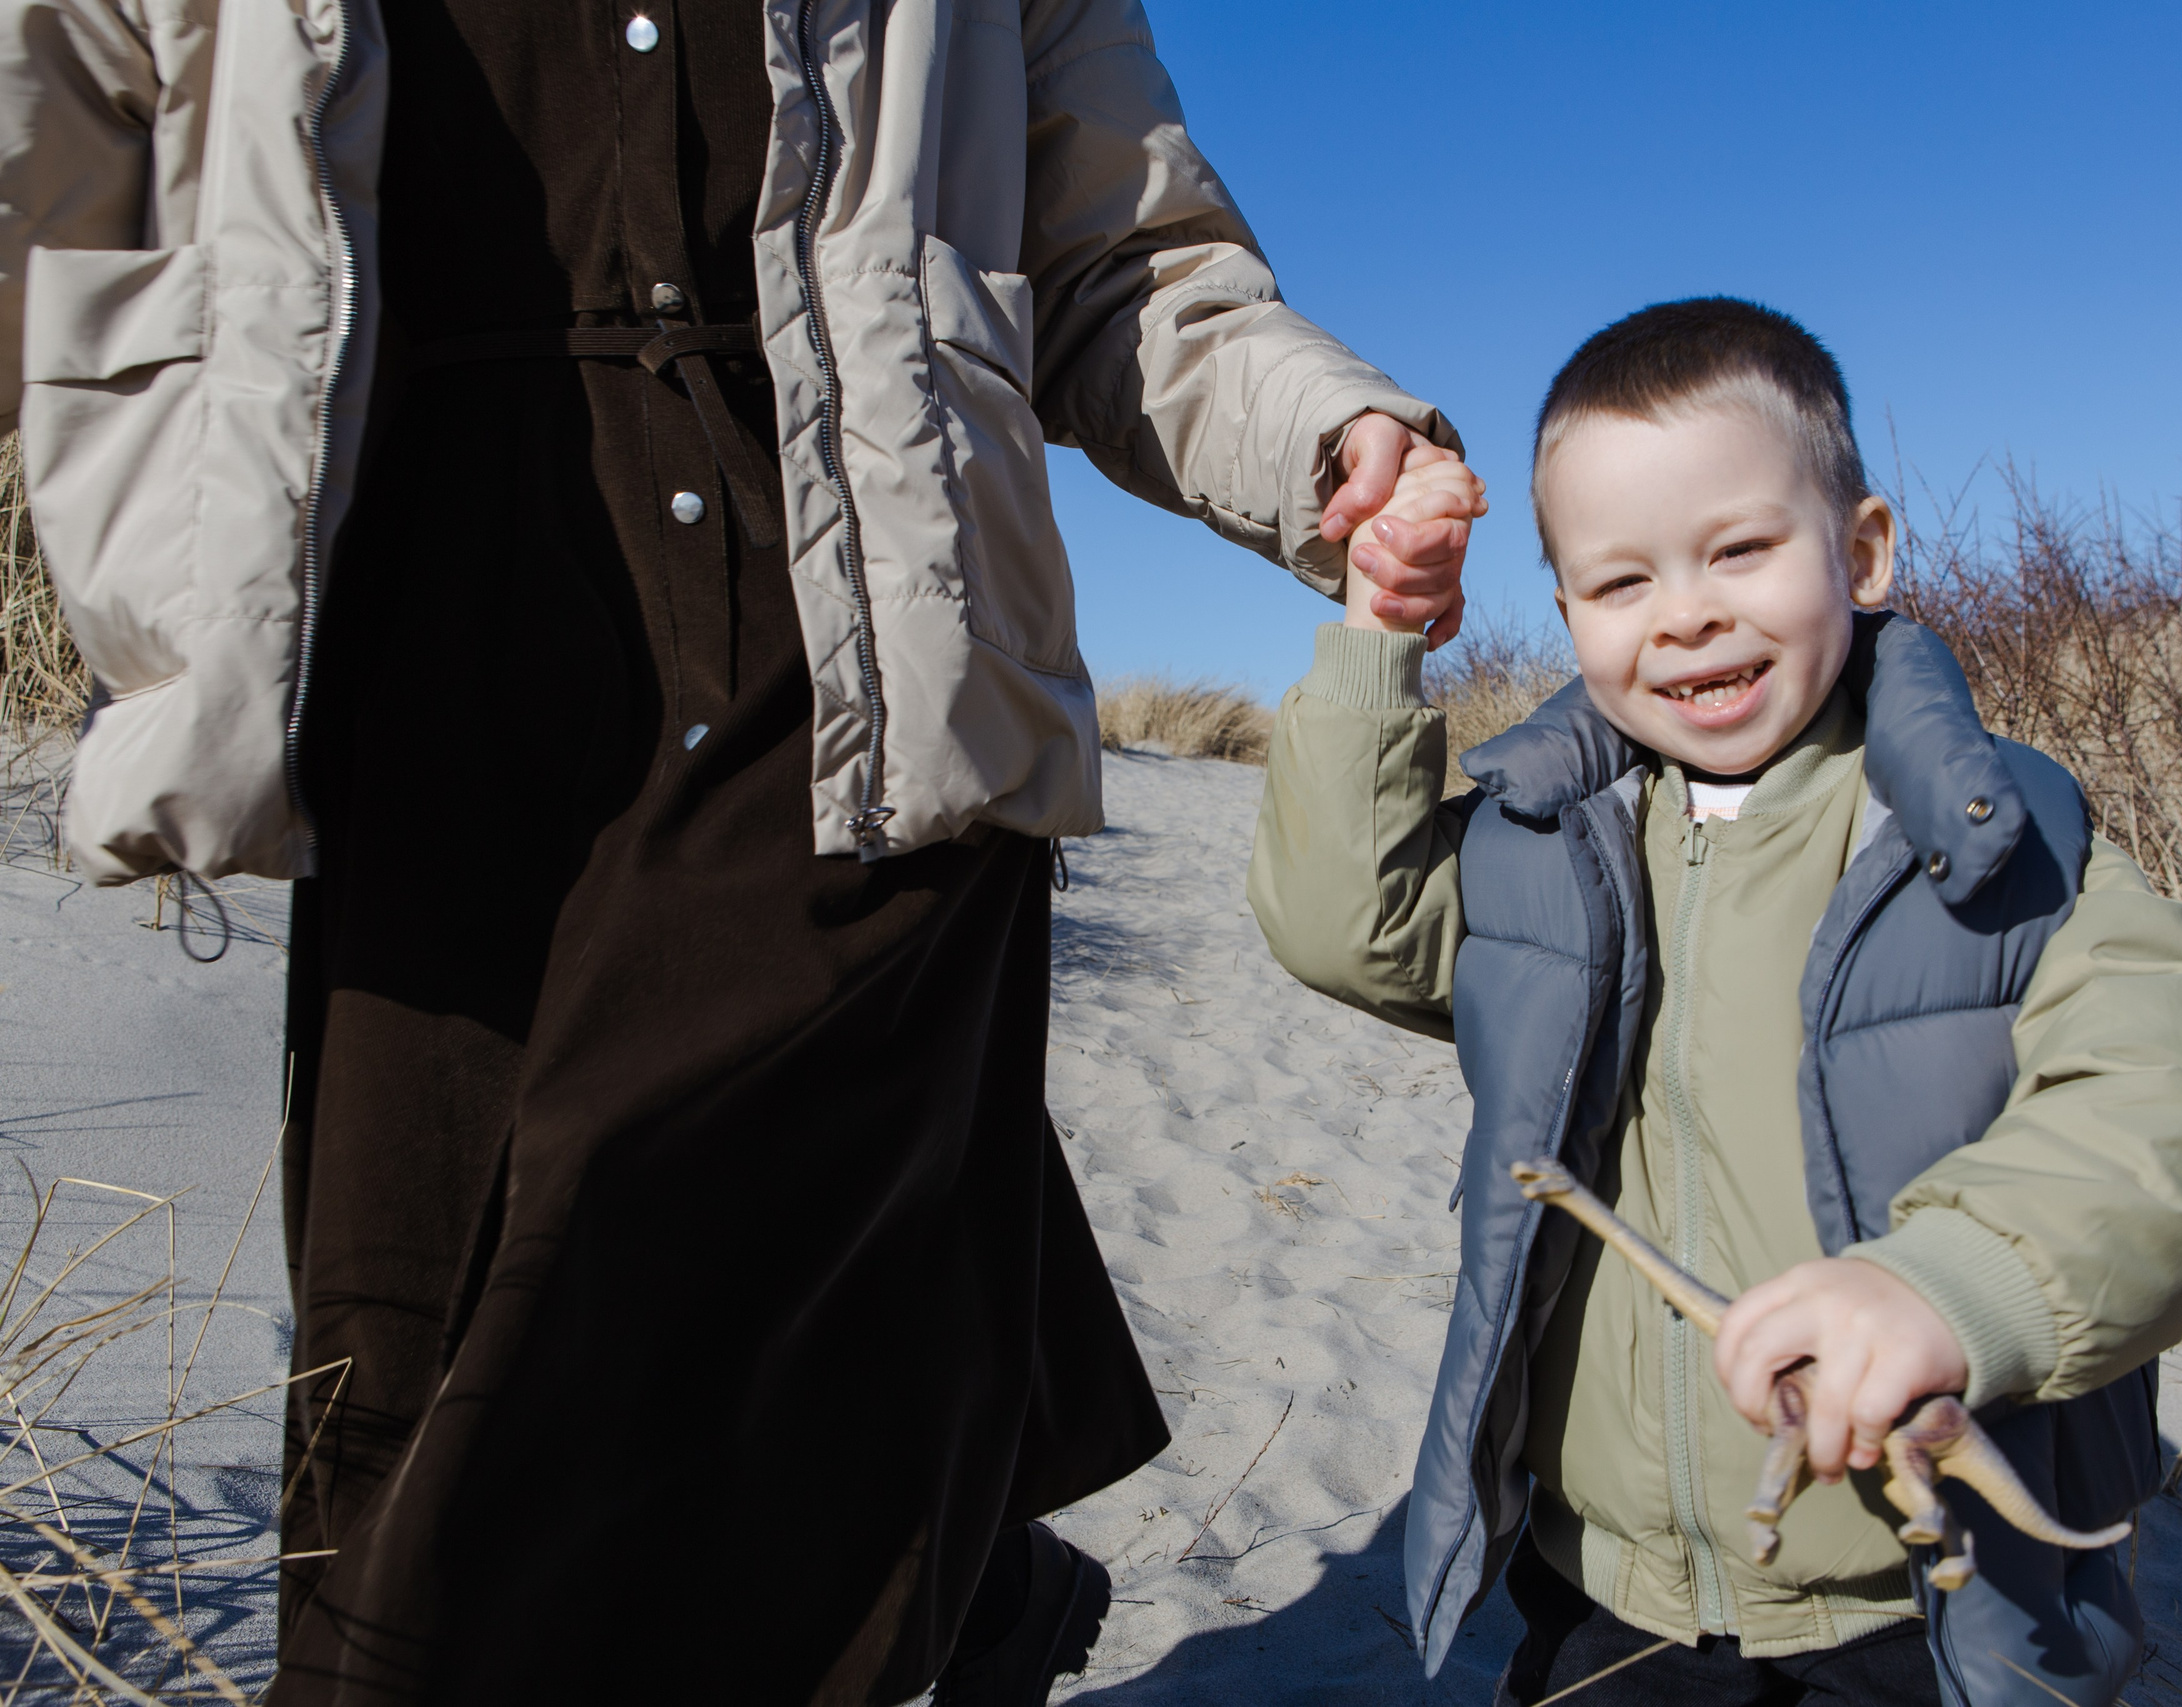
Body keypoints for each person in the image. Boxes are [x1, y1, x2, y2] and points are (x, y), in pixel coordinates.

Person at [0, 1, 1481, 1701]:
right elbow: (47, 158)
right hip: (410, 662)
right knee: (403, 1335)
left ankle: (939, 1566)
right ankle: (973, 1572)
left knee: (551, 1358)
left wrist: (1325, 436)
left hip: (858, 652)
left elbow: (1121, 257)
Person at [1249, 298, 2182, 1706]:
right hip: (1607, 1586)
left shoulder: (1995, 835)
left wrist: (1951, 1286)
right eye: (1619, 584)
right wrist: (1378, 640)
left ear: (1860, 552)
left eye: (1740, 549)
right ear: (1566, 617)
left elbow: (2167, 1094)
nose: (1686, 614)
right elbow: (1345, 926)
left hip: (1913, 1596)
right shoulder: (1553, 844)